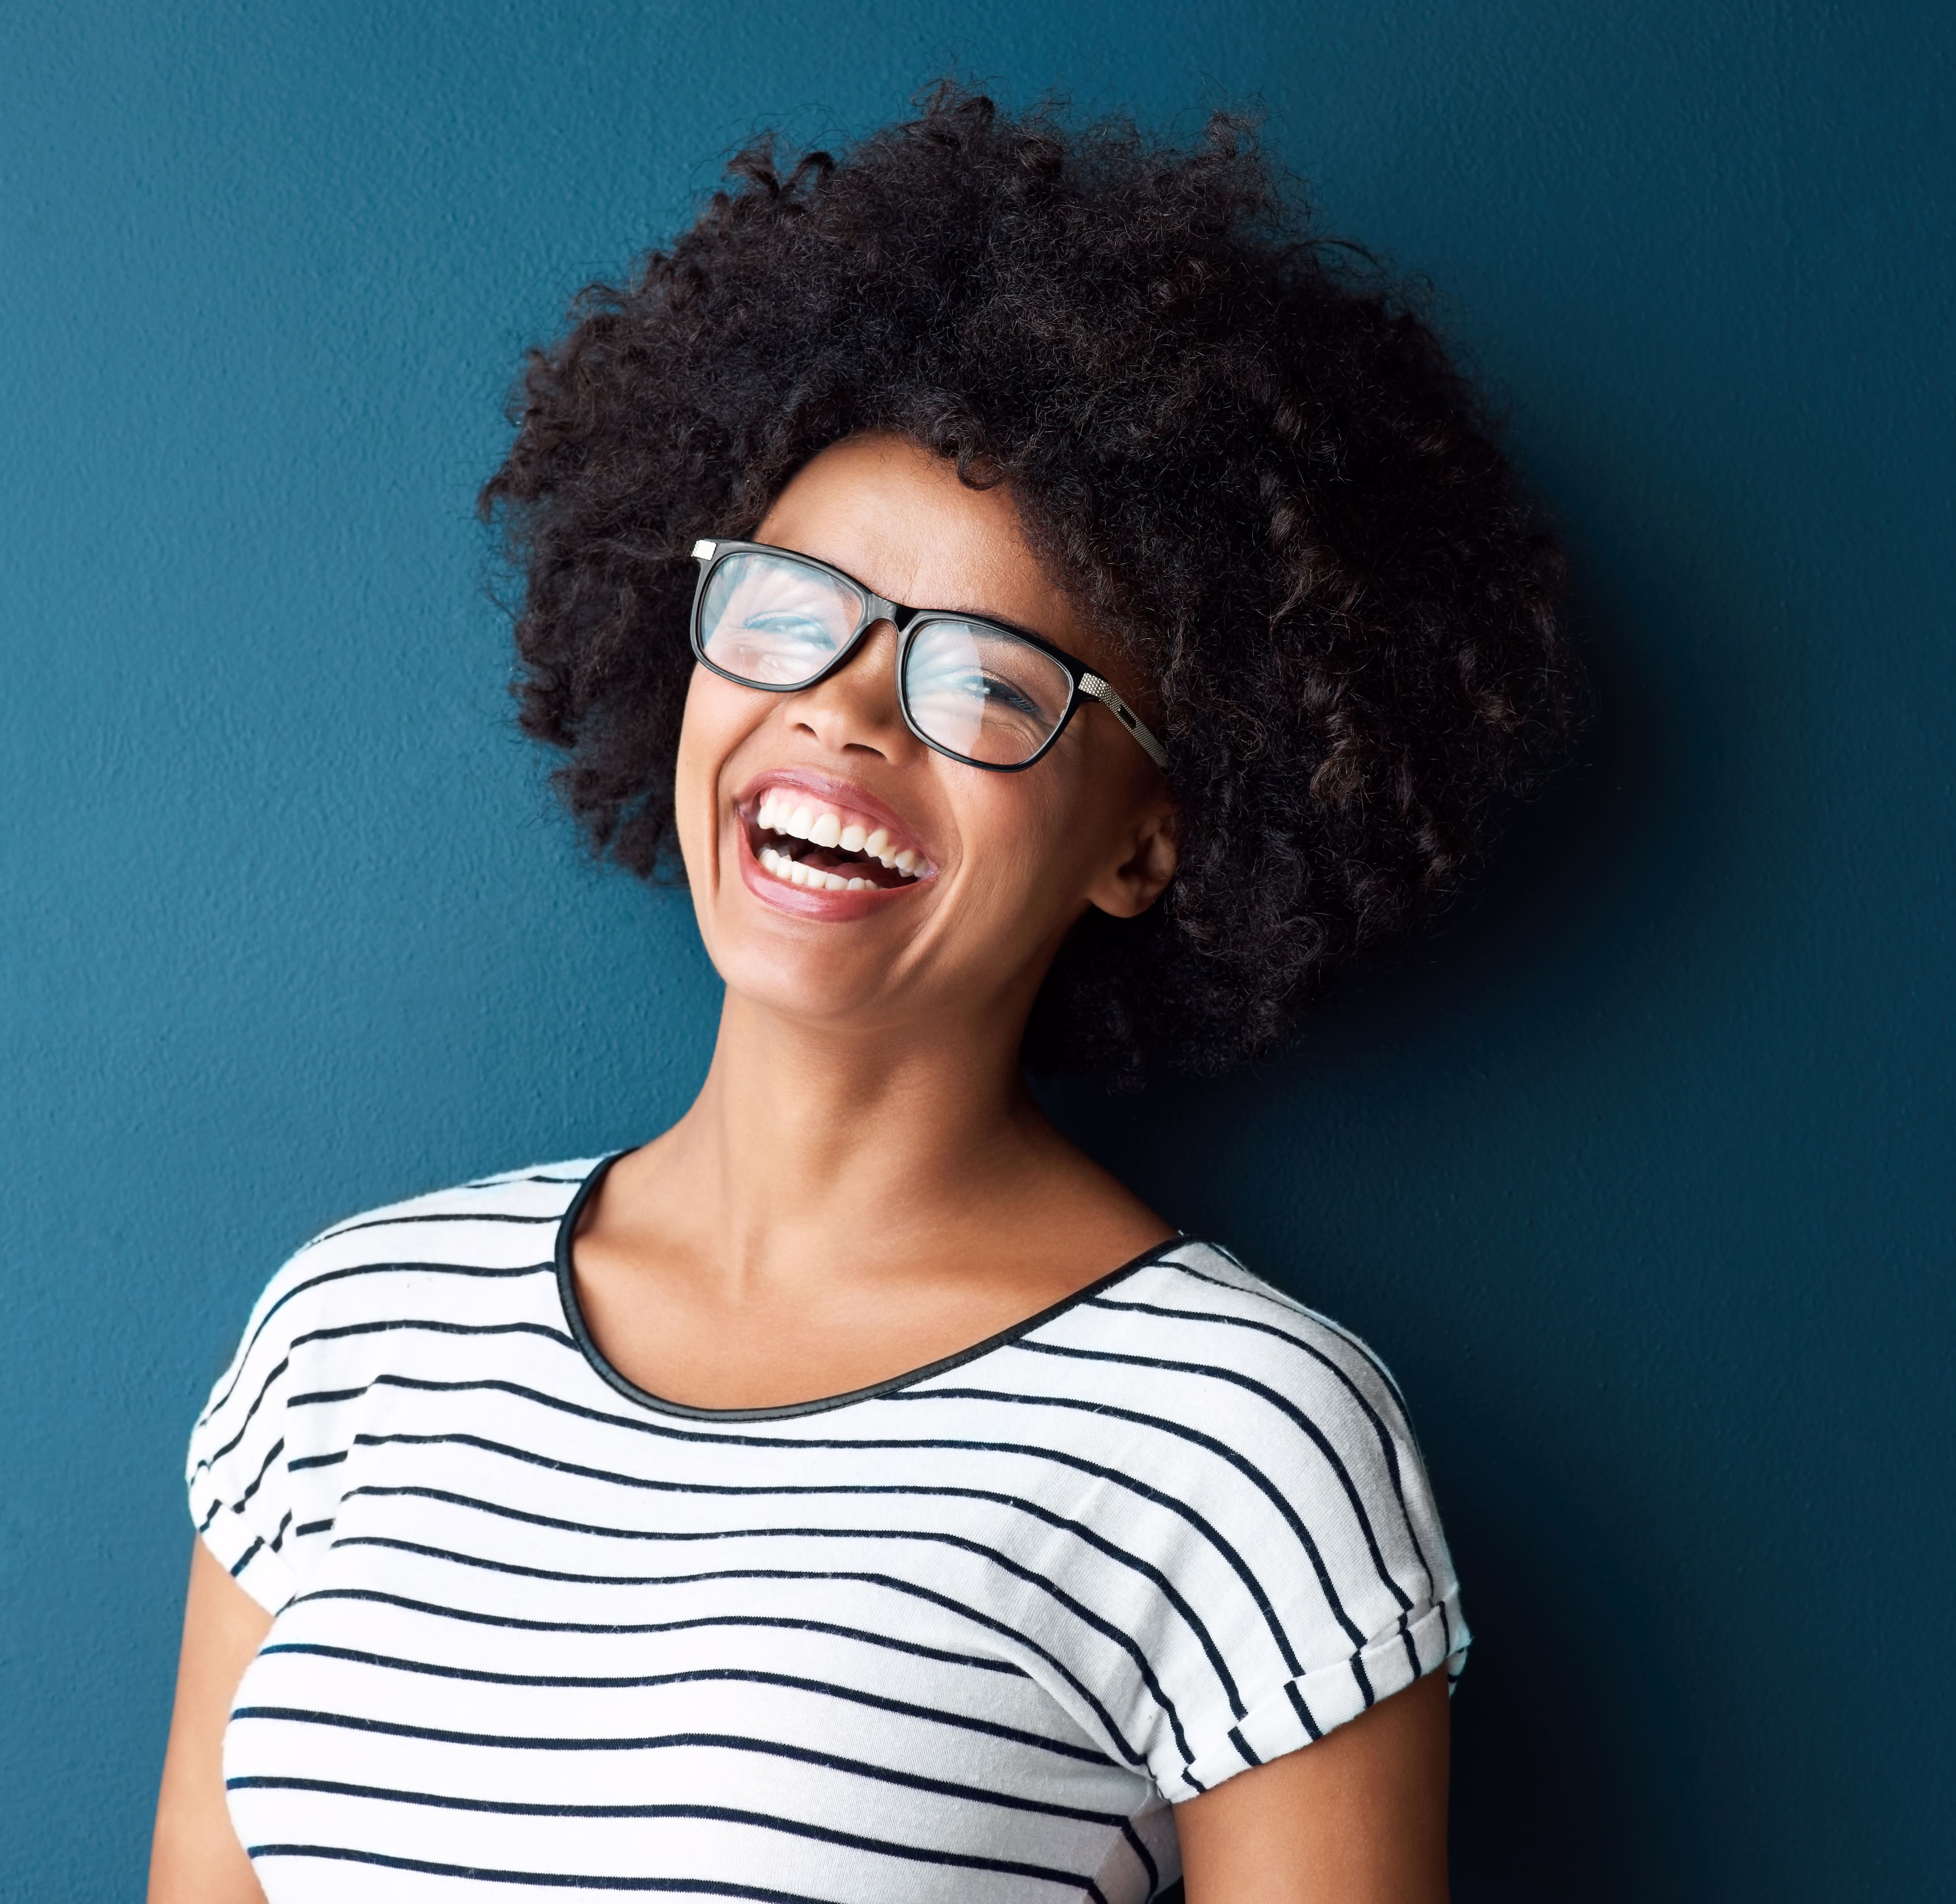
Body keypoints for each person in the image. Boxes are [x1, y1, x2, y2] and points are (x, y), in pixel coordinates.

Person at [150, 87, 1579, 1904]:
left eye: (987, 678)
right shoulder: (351, 1337)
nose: (843, 707)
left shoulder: (1244, 1436)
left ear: (1149, 839)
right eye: (788, 607)